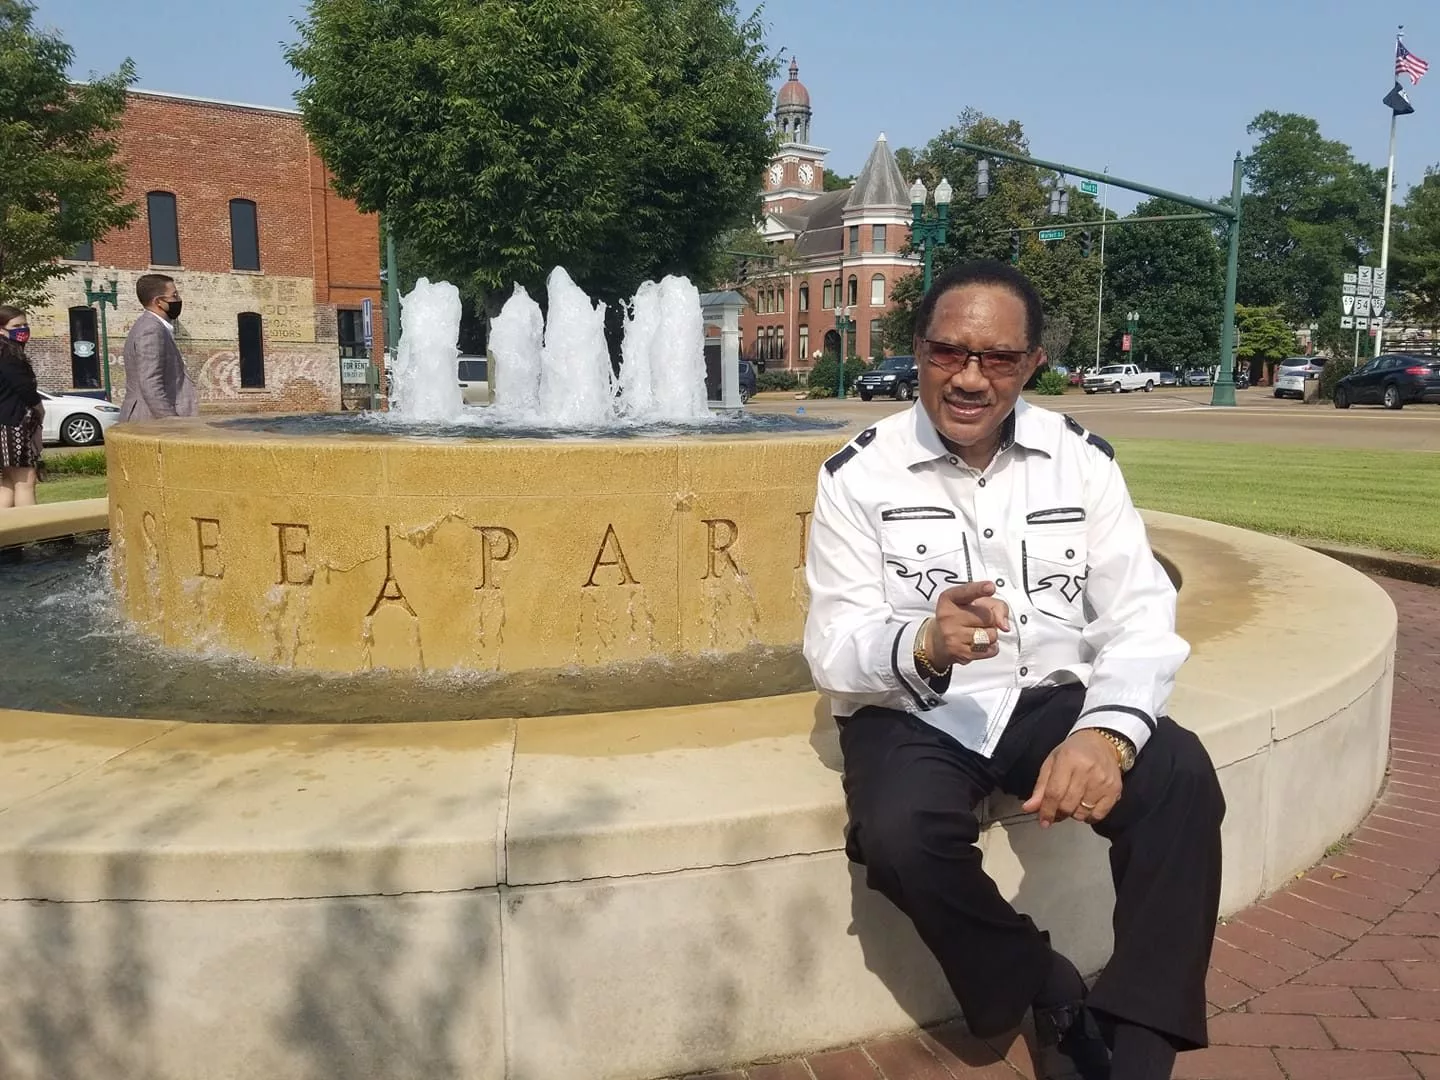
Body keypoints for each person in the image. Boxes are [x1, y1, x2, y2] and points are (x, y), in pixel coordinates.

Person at [803, 260, 1224, 1080]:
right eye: (947, 352)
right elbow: (833, 644)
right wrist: (922, 642)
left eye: (997, 358)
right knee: (898, 836)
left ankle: (1139, 1047)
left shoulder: (1083, 462)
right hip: (915, 709)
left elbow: (1140, 613)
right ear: (917, 351)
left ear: (1032, 363)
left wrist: (1108, 734)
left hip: (1046, 699)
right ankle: (1039, 978)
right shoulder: (857, 476)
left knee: (1179, 776)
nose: (968, 378)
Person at [118, 273, 197, 421]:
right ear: (159, 302)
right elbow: (150, 382)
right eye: (174, 295)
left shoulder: (149, 326)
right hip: (149, 420)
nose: (178, 300)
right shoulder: (151, 330)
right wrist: (170, 421)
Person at [0, 305, 43, 508]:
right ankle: (31, 535)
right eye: (16, 325)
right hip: (13, 423)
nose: (23, 329)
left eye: (25, 324)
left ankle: (7, 535)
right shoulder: (9, 355)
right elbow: (24, 388)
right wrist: (39, 408)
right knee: (26, 480)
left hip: (4, 423)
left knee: (8, 481)